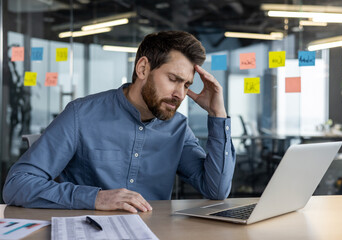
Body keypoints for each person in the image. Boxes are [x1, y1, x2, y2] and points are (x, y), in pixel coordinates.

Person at [3, 31, 235, 213]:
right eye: (173, 79)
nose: (180, 94)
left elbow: (216, 190)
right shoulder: (81, 115)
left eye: (186, 85)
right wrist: (94, 197)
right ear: (143, 68)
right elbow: (16, 185)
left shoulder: (177, 128)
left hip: (153, 232)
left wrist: (218, 114)